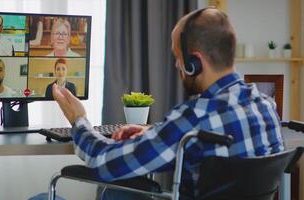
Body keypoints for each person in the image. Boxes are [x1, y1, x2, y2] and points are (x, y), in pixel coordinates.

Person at [48, 7, 284, 200]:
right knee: (119, 193)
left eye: (178, 58)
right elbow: (212, 135)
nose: (176, 66)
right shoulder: (265, 106)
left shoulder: (196, 117)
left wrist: (79, 120)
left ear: (195, 62)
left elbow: (104, 162)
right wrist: (154, 131)